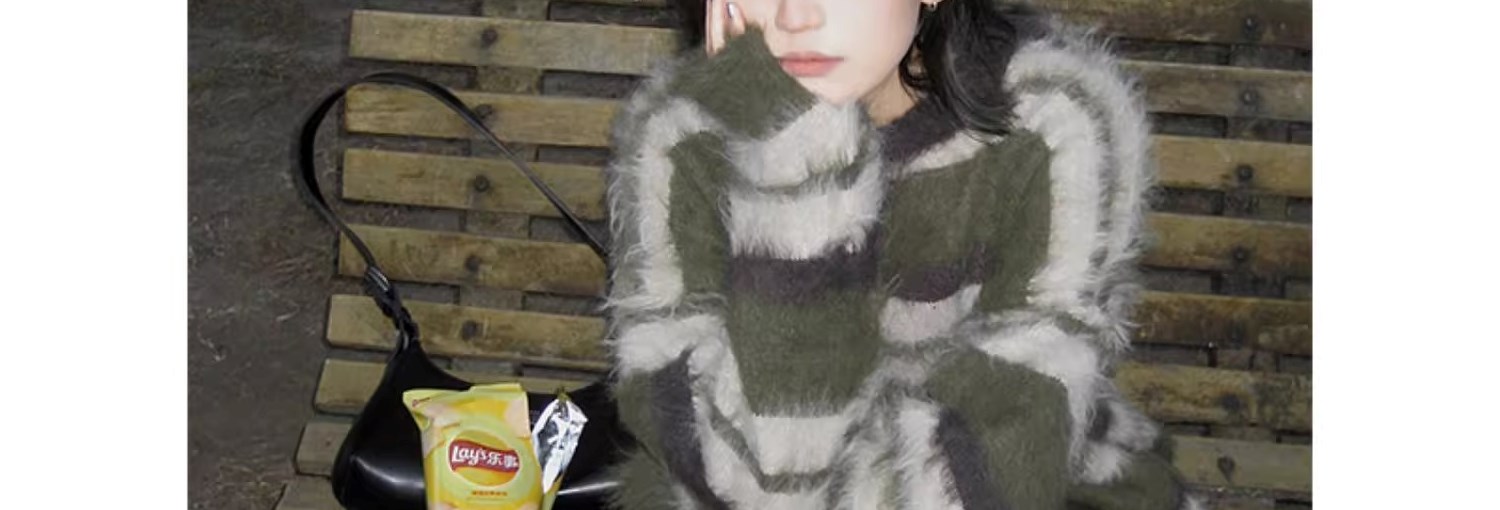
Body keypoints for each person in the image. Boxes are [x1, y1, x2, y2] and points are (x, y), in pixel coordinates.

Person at [599, 0, 1200, 508]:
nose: (796, 16)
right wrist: (794, 160)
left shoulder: (1051, 118)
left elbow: (994, 464)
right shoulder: (678, 134)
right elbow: (741, 476)